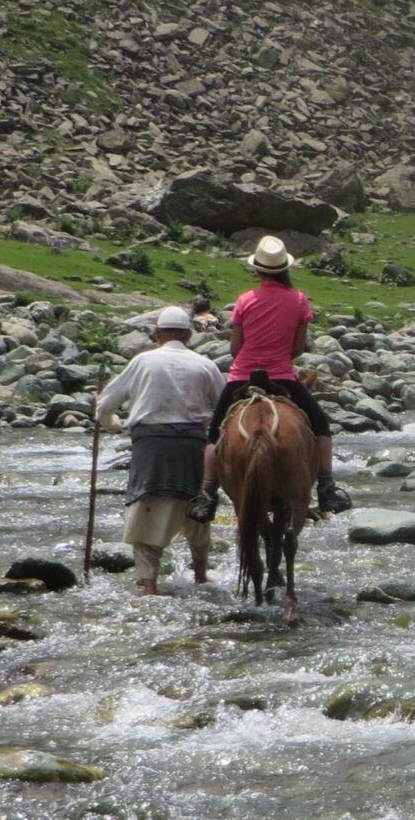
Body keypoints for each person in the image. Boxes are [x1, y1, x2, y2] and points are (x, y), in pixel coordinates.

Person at [191, 235, 348, 519]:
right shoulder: (299, 300)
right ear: (284, 268)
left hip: (242, 377)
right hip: (283, 377)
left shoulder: (245, 300)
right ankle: (326, 486)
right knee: (322, 427)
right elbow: (297, 349)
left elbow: (236, 348)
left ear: (258, 269)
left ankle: (207, 493)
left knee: (214, 434)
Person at [94, 305, 223, 594]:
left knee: (145, 506)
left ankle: (150, 584)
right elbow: (224, 406)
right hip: (193, 444)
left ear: (157, 334)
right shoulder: (204, 364)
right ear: (189, 335)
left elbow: (103, 405)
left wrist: (113, 426)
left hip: (150, 445)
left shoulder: (142, 362)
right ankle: (200, 574)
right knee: (199, 505)